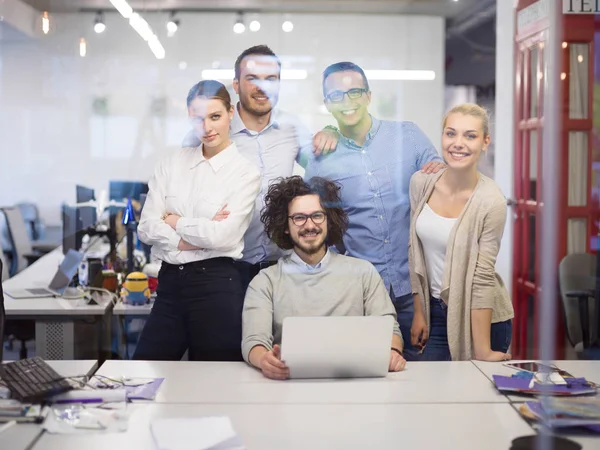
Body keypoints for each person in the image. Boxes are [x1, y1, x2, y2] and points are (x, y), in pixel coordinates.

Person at [304, 61, 444, 361]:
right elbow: (313, 225)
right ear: (327, 104)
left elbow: (445, 185)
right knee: (366, 380)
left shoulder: (408, 136)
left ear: (369, 96)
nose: (347, 102)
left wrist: (442, 171)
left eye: (355, 92)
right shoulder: (321, 159)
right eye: (337, 96)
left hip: (416, 289)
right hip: (361, 292)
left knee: (423, 381)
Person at [183, 45, 339, 292]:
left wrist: (332, 130)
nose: (262, 86)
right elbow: (182, 197)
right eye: (252, 78)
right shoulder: (209, 133)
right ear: (236, 85)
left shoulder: (291, 127)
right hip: (227, 269)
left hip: (284, 268)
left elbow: (326, 166)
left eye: (271, 79)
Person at [134, 80, 261, 361]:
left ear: (231, 113)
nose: (206, 128)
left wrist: (174, 220)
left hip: (216, 286)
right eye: (197, 119)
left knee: (217, 385)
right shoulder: (172, 163)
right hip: (169, 285)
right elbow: (146, 228)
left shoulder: (244, 173)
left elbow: (223, 238)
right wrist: (191, 239)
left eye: (215, 116)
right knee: (143, 370)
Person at [242, 176, 405, 380]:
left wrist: (392, 352)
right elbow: (253, 341)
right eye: (299, 218)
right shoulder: (265, 281)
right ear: (285, 225)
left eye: (317, 216)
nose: (310, 225)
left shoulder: (363, 272)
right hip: (289, 385)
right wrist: (265, 360)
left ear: (329, 219)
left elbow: (389, 328)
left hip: (356, 384)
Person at [408, 103, 514, 361]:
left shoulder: (491, 201)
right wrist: (419, 311)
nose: (458, 143)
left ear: (485, 142)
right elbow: (415, 251)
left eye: (470, 135)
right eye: (451, 133)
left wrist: (482, 350)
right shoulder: (421, 182)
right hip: (434, 312)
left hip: (479, 319)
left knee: (472, 397)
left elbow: (482, 278)